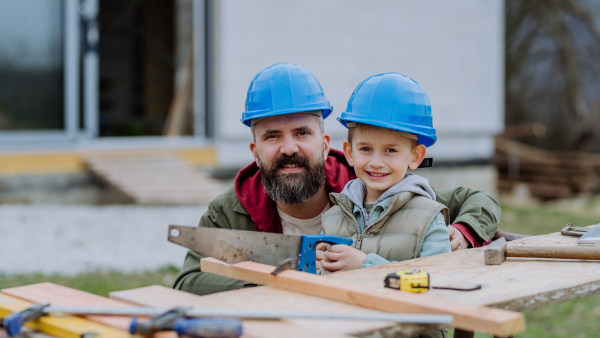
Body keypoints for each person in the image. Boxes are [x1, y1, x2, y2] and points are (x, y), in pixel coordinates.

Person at [173, 62, 501, 296]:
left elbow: (478, 201)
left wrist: (462, 231)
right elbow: (189, 281)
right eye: (272, 136)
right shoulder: (232, 210)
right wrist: (280, 279)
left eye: (302, 132)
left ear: (326, 144)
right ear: (255, 151)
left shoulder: (370, 187)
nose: (289, 148)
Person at [318, 72, 450, 276]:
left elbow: (439, 280)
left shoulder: (428, 219)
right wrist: (317, 268)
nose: (376, 162)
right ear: (350, 153)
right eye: (365, 149)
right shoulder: (333, 218)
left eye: (390, 150)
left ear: (415, 157)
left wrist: (366, 265)